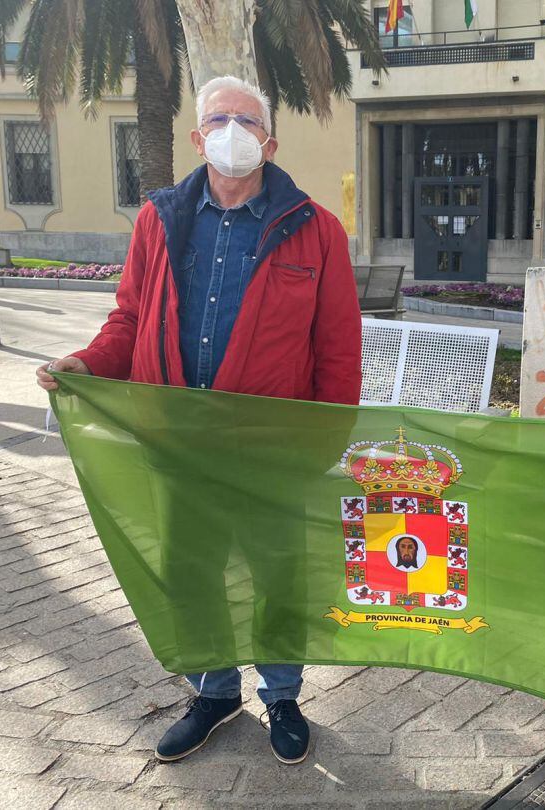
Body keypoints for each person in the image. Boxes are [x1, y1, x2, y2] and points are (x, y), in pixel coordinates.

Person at [36, 75, 362, 765]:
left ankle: (282, 695)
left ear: (270, 142)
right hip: (177, 444)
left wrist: (319, 447)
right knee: (190, 570)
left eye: (248, 121)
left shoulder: (316, 229)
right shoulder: (159, 220)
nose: (233, 131)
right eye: (220, 119)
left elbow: (338, 348)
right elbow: (129, 319)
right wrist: (88, 365)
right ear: (197, 136)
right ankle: (213, 691)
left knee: (278, 576)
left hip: (271, 451)